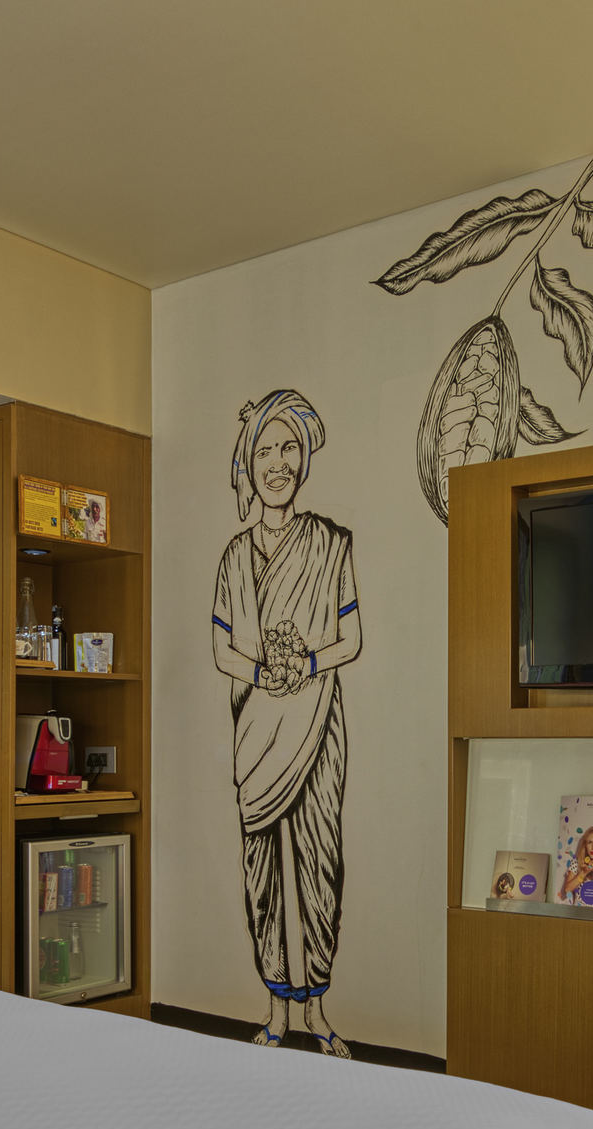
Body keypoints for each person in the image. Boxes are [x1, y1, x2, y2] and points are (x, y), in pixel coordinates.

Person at [211, 389, 361, 1056]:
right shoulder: (233, 556)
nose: (278, 463)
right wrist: (263, 673)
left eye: (289, 448)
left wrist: (307, 663)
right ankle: (276, 1008)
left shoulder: (331, 543)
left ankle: (317, 1009)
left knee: (320, 863)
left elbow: (352, 639)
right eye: (265, 451)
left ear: (304, 459)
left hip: (319, 727)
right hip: (256, 732)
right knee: (263, 870)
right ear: (249, 464)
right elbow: (222, 651)